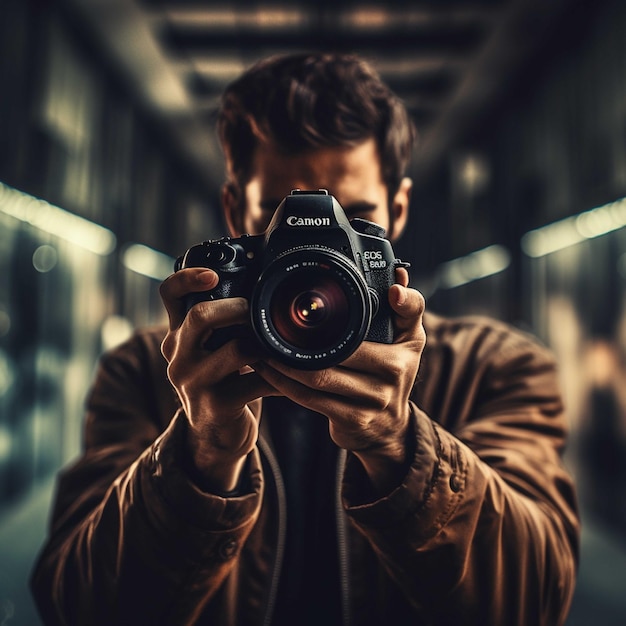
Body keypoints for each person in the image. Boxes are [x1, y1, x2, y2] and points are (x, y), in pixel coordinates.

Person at [31, 52, 579, 626]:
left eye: (356, 220)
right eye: (278, 219)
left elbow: (534, 603)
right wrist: (201, 452)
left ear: (398, 212)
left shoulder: (497, 367)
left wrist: (400, 445)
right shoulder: (150, 371)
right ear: (233, 211)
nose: (319, 255)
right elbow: (74, 605)